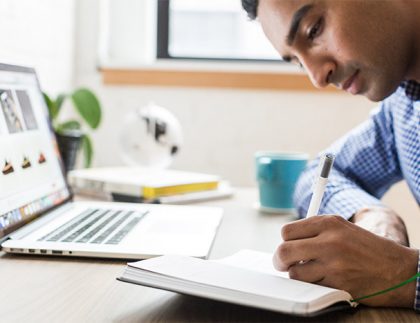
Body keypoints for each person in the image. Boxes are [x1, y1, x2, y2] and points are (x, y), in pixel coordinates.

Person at [241, 0, 420, 309]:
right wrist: (373, 215)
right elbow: (317, 175)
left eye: (314, 30)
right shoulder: (403, 108)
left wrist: (403, 274)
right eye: (297, 61)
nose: (317, 78)